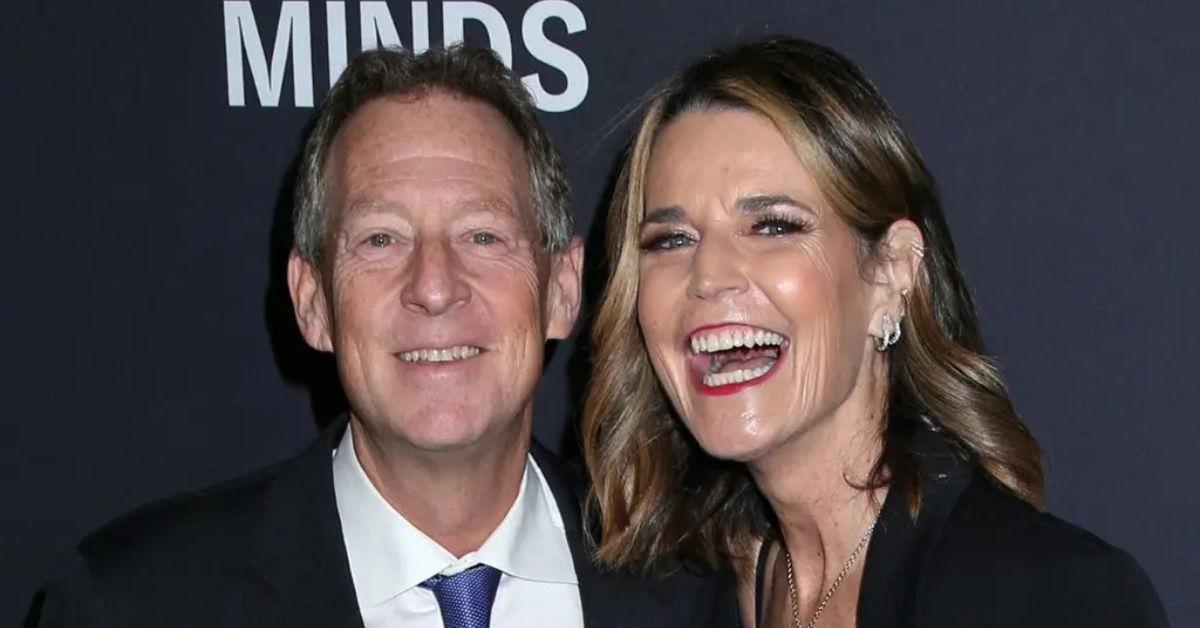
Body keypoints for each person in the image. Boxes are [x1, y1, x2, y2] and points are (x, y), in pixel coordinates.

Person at [27, 46, 738, 627]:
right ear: (312, 302)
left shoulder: (695, 589)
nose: (434, 286)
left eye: (482, 235)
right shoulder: (134, 604)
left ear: (561, 289)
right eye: (381, 239)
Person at [581, 37, 1169, 627]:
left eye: (773, 226)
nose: (709, 277)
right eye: (672, 240)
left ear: (891, 270)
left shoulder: (1051, 596)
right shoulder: (675, 600)